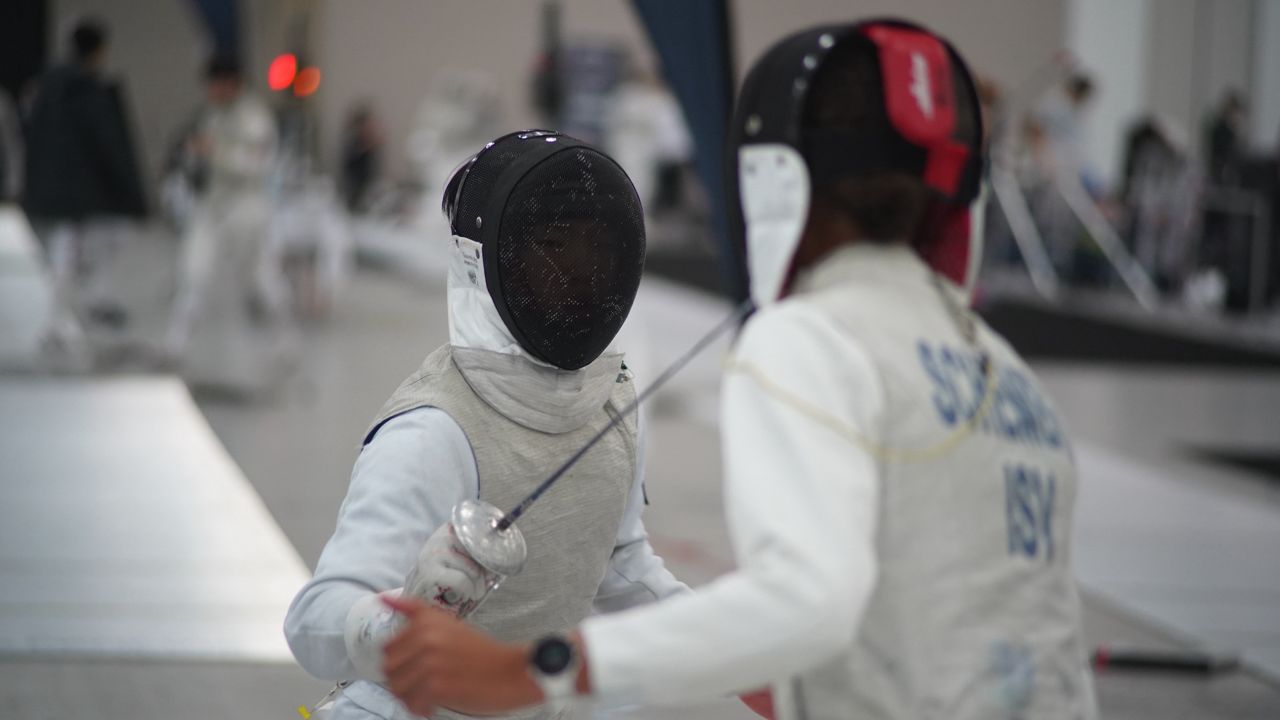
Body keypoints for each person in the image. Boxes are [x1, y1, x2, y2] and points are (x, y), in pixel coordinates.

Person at [378, 20, 1098, 720]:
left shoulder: (810, 342)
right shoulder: (1007, 373)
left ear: (772, 180)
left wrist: (529, 671)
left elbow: (805, 601)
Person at [283, 129, 688, 720]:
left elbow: (620, 563)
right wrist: (400, 618)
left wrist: (747, 651)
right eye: (553, 246)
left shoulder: (614, 400)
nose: (578, 271)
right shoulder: (434, 431)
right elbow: (314, 623)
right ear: (485, 259)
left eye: (595, 248)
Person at [163, 55, 287, 390]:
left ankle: (281, 345)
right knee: (194, 272)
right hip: (212, 206)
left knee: (258, 281)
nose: (211, 91)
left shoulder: (256, 119)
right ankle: (175, 347)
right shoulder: (211, 114)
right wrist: (196, 154)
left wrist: (213, 151)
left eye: (216, 84)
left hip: (247, 209)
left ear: (232, 83)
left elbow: (256, 165)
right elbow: (198, 159)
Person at [22, 18, 145, 351]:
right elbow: (106, 145)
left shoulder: (47, 88)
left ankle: (69, 318)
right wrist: (130, 192)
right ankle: (59, 323)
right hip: (75, 195)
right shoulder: (85, 92)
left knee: (69, 256)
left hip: (48, 193)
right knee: (70, 257)